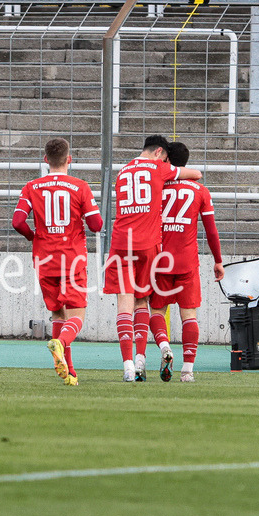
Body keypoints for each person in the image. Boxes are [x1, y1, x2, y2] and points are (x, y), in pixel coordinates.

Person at [103, 135, 201, 382]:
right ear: (159, 152)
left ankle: (130, 365)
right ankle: (166, 361)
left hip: (120, 243)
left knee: (125, 306)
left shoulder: (123, 171)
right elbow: (196, 174)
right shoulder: (159, 168)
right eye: (165, 157)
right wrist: (174, 168)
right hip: (147, 245)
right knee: (143, 302)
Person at [12, 138, 103, 386]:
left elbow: (17, 221)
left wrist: (35, 237)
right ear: (69, 160)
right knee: (77, 314)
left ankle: (70, 372)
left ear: (45, 161)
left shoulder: (32, 187)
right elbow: (97, 225)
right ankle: (60, 344)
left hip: (45, 259)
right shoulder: (80, 186)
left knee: (57, 314)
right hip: (72, 258)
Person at [146, 142, 224, 383]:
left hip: (160, 260)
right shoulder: (200, 191)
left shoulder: (156, 186)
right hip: (187, 261)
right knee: (189, 315)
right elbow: (211, 231)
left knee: (157, 310)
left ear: (167, 160)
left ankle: (164, 348)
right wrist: (218, 261)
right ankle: (188, 370)